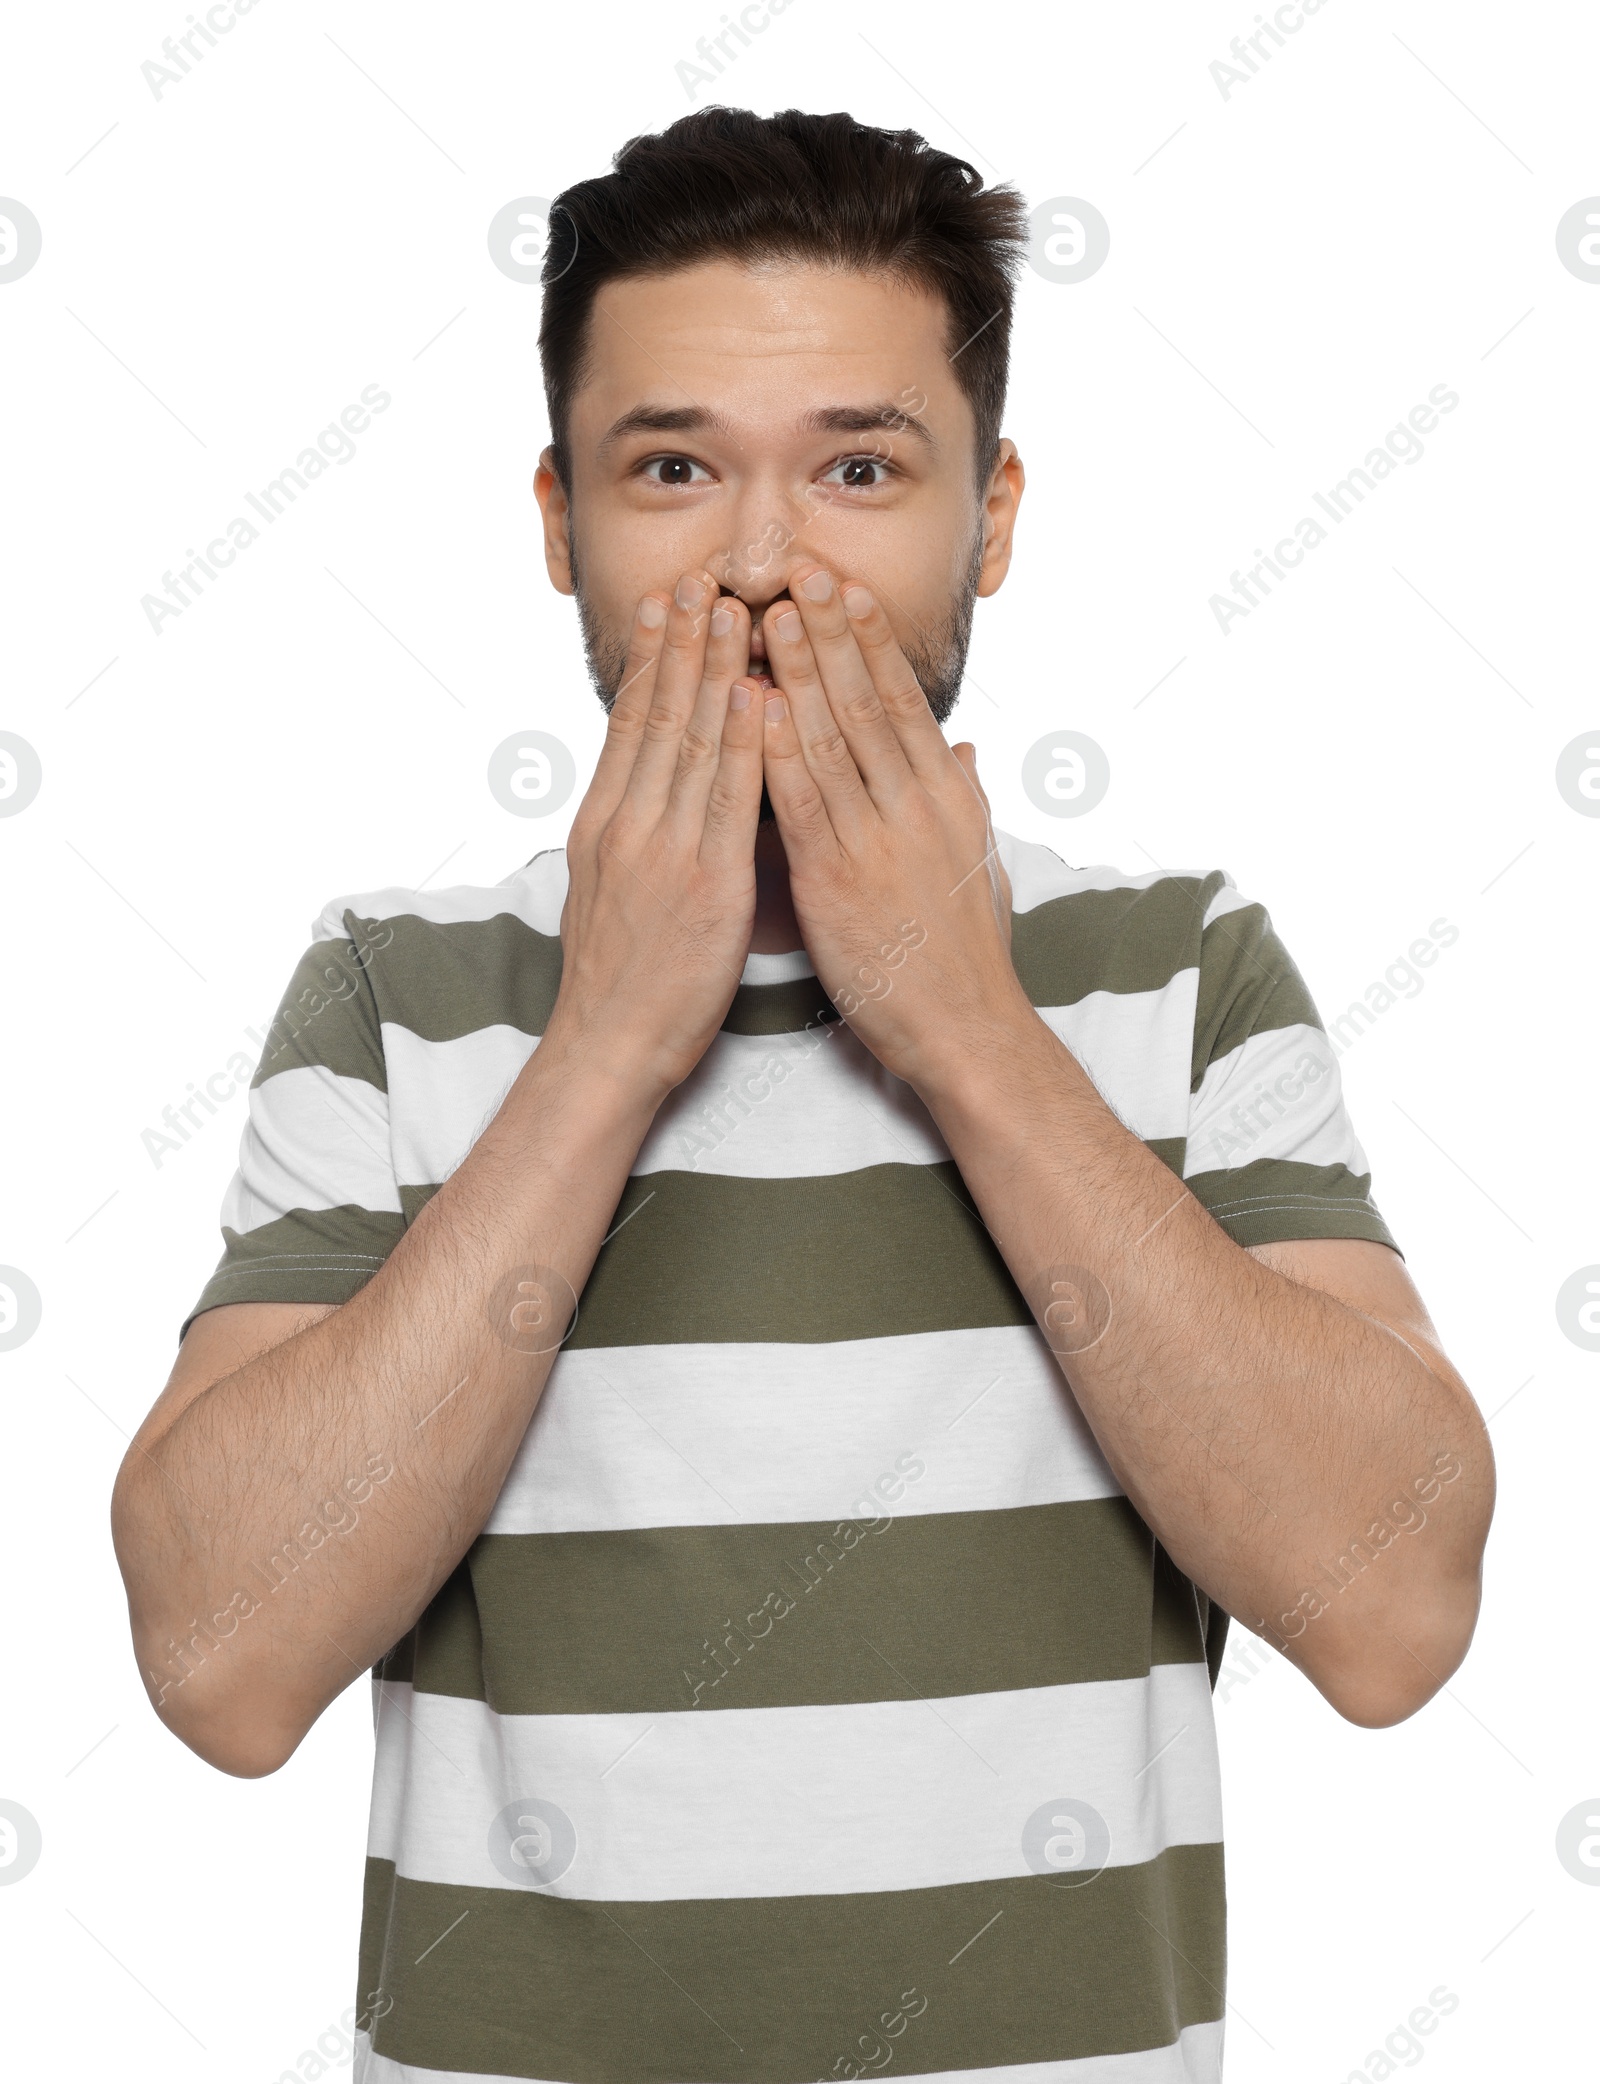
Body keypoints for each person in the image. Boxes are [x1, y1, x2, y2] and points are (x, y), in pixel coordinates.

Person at [112, 107, 1493, 2084]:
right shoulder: (394, 989)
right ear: (555, 518)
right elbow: (225, 1665)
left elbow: (1391, 1614)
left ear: (989, 518)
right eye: (670, 467)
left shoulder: (1178, 973)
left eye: (859, 466)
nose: (762, 563)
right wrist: (602, 1050)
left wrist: (962, 1026)